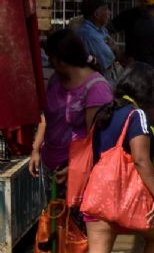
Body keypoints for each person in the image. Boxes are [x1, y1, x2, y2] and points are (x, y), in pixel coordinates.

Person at [79, 63, 154, 253]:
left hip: (98, 197)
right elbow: (141, 160)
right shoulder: (137, 116)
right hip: (128, 198)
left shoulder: (105, 111)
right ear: (148, 90)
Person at [29, 29, 113, 181]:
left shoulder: (96, 88)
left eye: (51, 58)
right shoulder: (56, 79)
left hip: (76, 172)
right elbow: (46, 117)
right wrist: (35, 149)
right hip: (49, 166)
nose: (50, 63)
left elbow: (95, 138)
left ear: (61, 60)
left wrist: (76, 168)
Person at [76, 0, 121, 85]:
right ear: (96, 14)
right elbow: (108, 59)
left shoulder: (100, 30)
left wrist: (114, 48)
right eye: (106, 9)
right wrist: (114, 49)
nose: (110, 13)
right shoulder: (89, 34)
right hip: (99, 83)